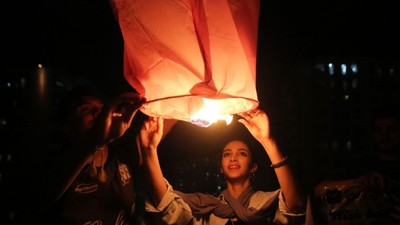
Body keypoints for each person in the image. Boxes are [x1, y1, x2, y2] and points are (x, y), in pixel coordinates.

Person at [138, 108, 307, 225]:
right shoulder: (207, 209)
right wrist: (149, 151)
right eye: (227, 154)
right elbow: (169, 210)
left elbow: (296, 206)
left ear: (253, 167)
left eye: (242, 153)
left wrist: (267, 141)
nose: (233, 157)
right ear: (221, 167)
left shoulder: (267, 204)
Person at [8, 84, 147, 225]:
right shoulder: (56, 165)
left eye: (101, 108)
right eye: (86, 109)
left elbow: (148, 141)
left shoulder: (119, 160)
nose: (97, 114)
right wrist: (93, 140)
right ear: (67, 124)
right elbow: (34, 198)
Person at [314, 104, 400, 224]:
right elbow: (319, 190)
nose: (384, 136)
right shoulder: (361, 164)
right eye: (379, 130)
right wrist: (357, 183)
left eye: (391, 129)